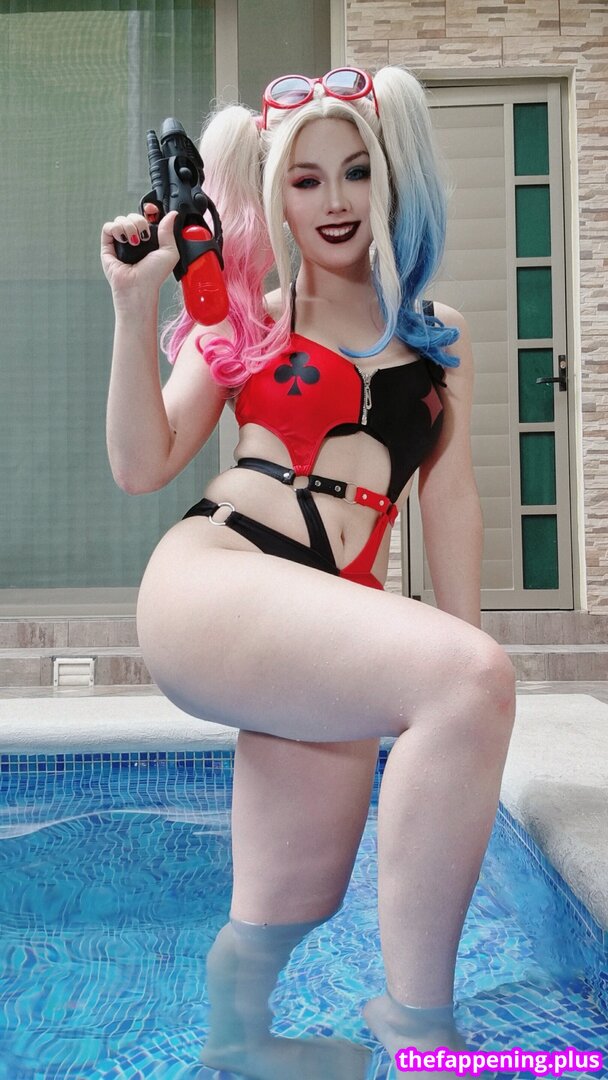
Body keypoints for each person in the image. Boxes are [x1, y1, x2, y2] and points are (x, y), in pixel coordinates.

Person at [101, 65, 516, 1079]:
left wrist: (462, 659)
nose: (334, 200)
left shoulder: (437, 337)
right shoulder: (248, 321)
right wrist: (132, 307)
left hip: (321, 621)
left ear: (390, 183)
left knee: (296, 897)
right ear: (276, 198)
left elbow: (449, 500)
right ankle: (420, 1030)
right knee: (469, 682)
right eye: (306, 179)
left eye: (356, 172)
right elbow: (141, 466)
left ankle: (237, 1044)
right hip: (217, 576)